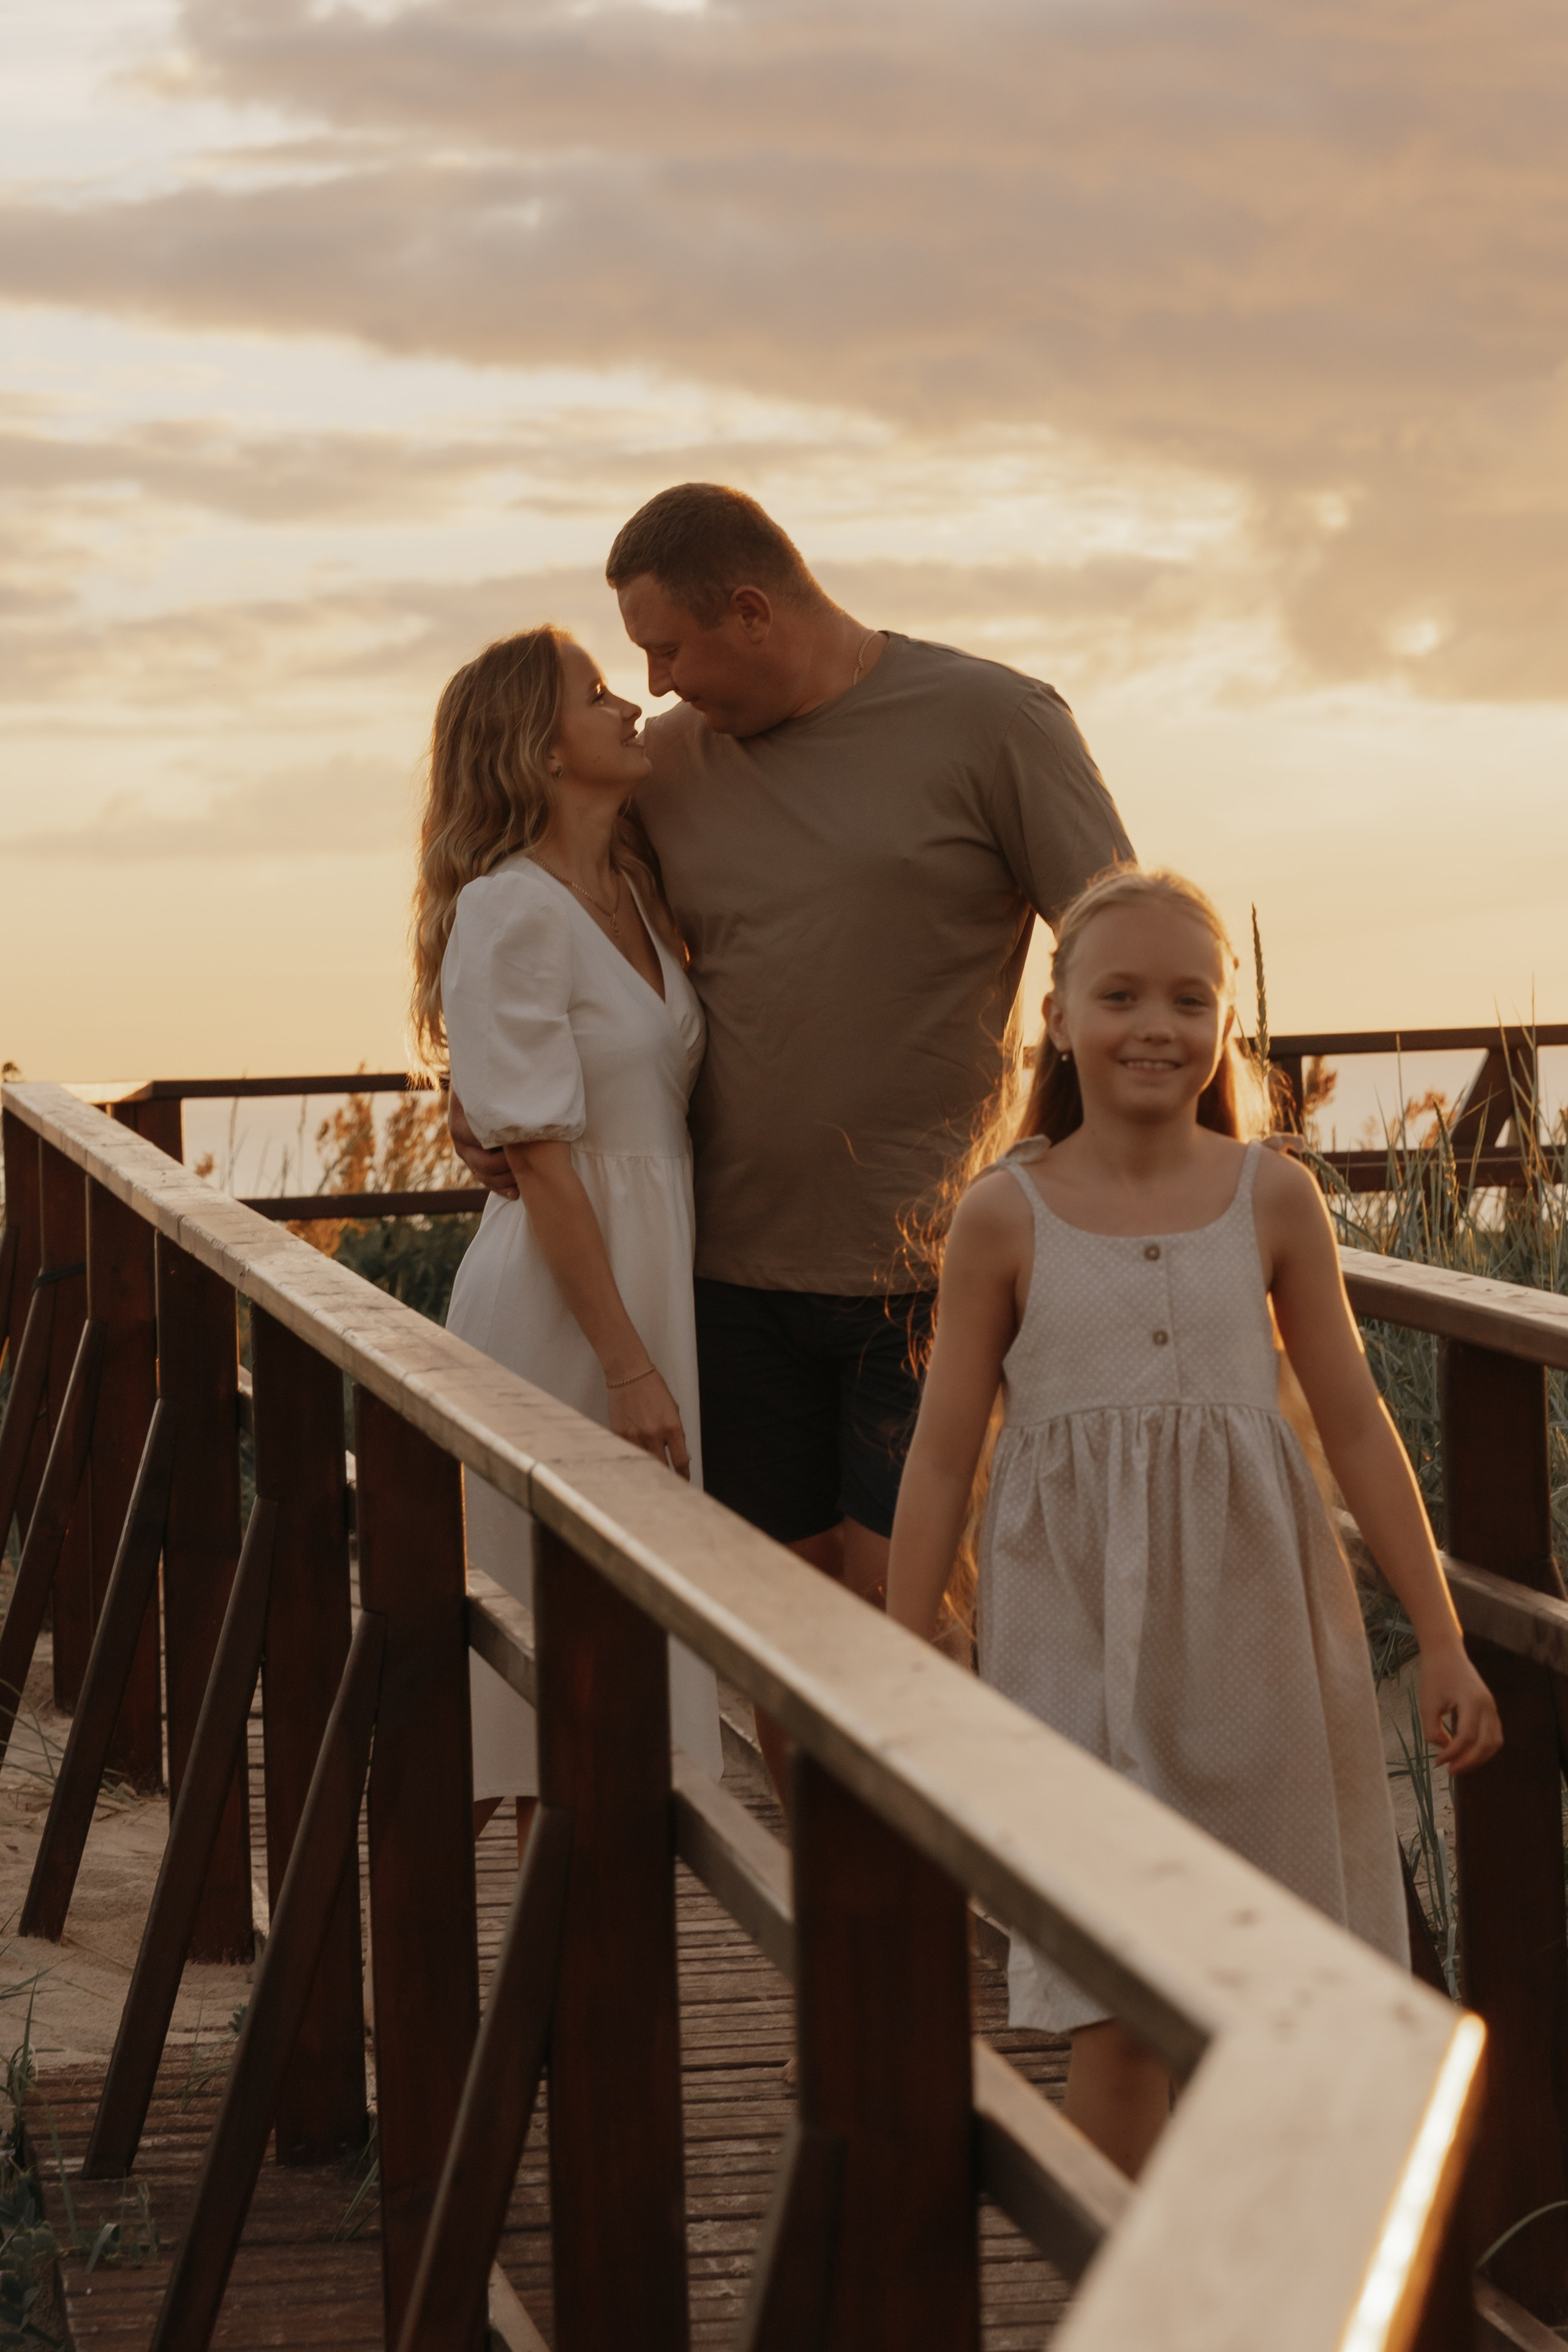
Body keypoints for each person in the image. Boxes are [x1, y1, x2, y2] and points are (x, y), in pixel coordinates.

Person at [450, 484, 1133, 1800]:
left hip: (922, 1271)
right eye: (630, 665)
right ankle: (845, 1947)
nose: (649, 689)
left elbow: (1111, 948)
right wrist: (473, 1100)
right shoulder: (671, 765)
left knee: (903, 1615)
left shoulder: (992, 721)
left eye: (666, 651)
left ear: (751, 610)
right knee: (775, 1634)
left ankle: (961, 1930)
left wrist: (1096, 1161)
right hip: (724, 1281)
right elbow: (545, 924)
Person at [886, 865, 1502, 2179]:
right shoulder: (1004, 1216)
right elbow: (942, 1459)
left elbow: (1352, 1426)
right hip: (1072, 1645)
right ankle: (1122, 2301)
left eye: (1188, 997)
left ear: (1227, 1022)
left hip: (1258, 1645)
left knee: (1263, 1988)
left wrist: (1438, 1636)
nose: (1152, 1025)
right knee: (1110, 2002)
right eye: (1118, 996)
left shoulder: (1268, 1198)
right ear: (1056, 1018)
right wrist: (903, 1660)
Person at [411, 624, 723, 1847]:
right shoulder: (510, 909)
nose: (629, 706)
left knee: (595, 1687)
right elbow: (538, 1157)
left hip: (644, 1270)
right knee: (520, 1683)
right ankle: (377, 1964)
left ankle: (546, 2010)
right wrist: (631, 1364)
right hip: (561, 1307)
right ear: (539, 750)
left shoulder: (635, 886)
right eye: (598, 695)